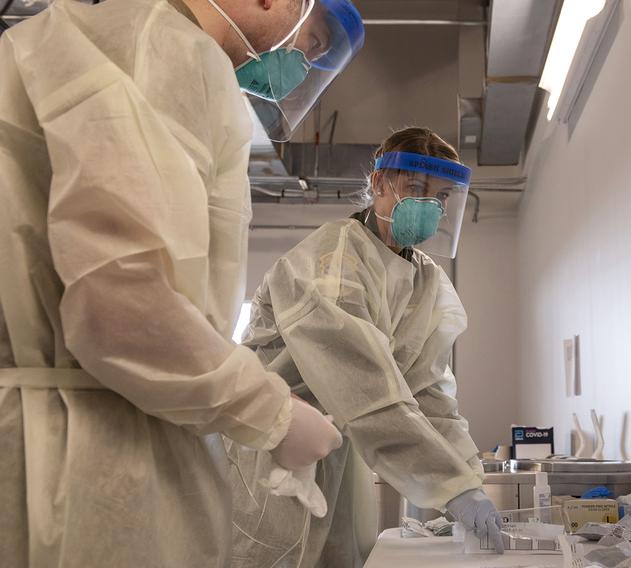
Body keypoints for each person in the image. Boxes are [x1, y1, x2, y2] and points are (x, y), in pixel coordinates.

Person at [0, 0, 362, 565]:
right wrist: (273, 414)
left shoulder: (78, 34)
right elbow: (123, 307)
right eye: (310, 41)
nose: (298, 61)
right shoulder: (171, 54)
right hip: (89, 457)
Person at [239, 126, 505, 568]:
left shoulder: (425, 279)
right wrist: (449, 486)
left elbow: (430, 394)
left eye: (441, 197)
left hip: (342, 450)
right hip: (275, 450)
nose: (430, 206)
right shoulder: (332, 261)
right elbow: (365, 386)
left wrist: (467, 479)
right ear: (380, 184)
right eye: (416, 188)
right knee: (269, 554)